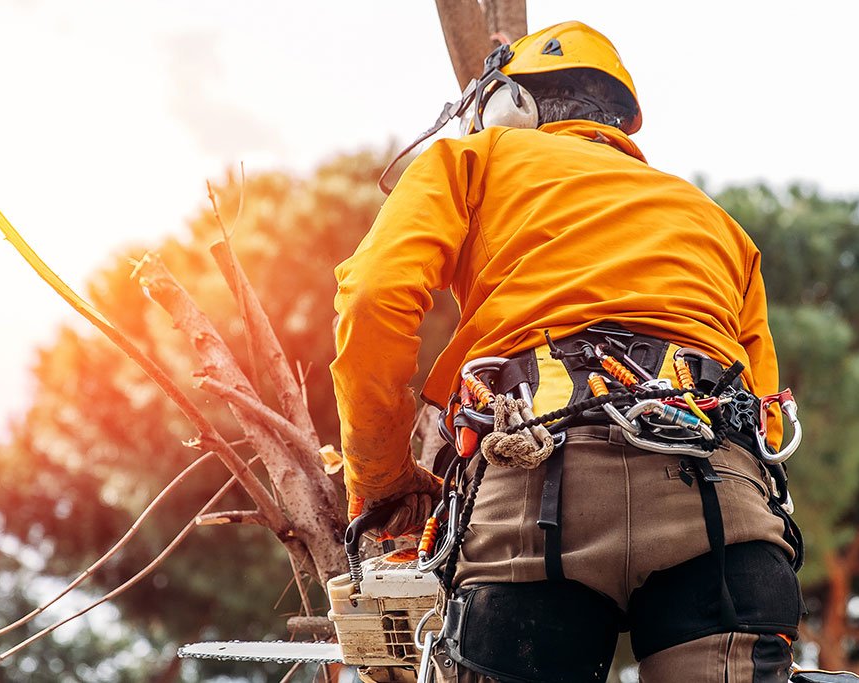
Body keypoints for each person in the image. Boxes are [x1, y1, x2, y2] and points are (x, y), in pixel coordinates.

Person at [330, 21, 804, 683]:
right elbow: (768, 418)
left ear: (509, 106)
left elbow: (373, 296)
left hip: (534, 499)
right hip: (721, 508)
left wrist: (381, 480)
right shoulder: (717, 222)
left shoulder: (475, 159)